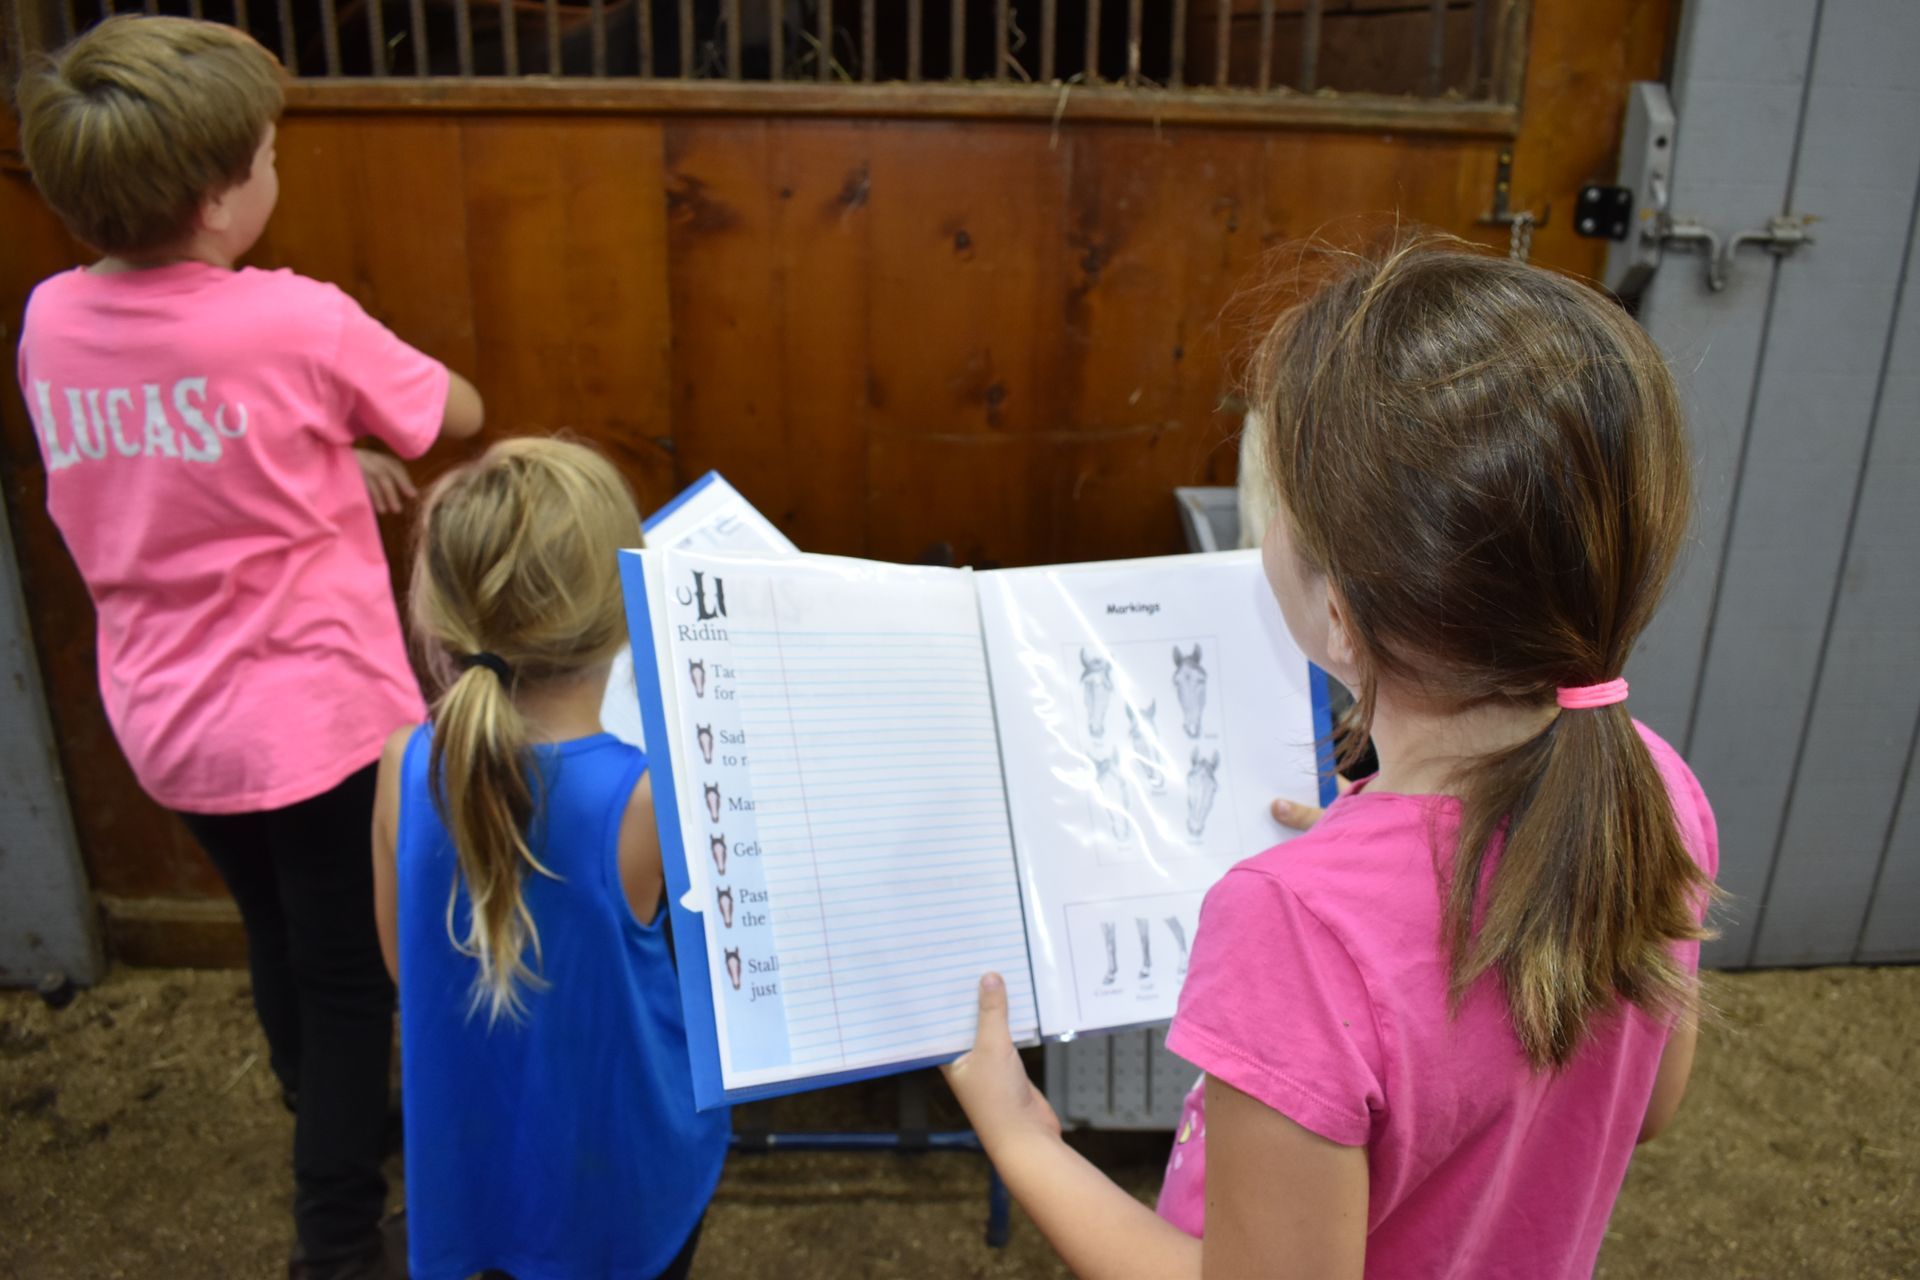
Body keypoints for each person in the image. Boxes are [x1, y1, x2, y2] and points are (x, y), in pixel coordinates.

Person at [942, 237, 1720, 1278]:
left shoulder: (1296, 927)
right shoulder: (1656, 783)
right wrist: (1370, 865)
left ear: (1342, 616)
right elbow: (1648, 1105)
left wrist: (1020, 1135)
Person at [14, 16, 485, 1277]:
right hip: (316, 720)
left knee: (278, 934)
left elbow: (191, 453)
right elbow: (456, 412)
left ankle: (321, 1108)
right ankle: (336, 1238)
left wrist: (333, 452)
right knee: (352, 981)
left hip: (166, 720)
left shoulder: (51, 320)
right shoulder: (294, 320)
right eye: (270, 152)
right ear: (227, 195)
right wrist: (366, 423)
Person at [371, 438, 730, 1280]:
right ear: (624, 610)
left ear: (442, 606)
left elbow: (404, 966)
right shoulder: (645, 803)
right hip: (621, 1186)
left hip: (475, 1175)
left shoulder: (401, 762)